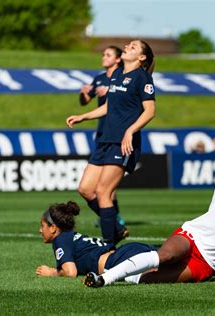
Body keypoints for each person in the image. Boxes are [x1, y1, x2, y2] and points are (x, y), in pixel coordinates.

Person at [83, 92, 215, 287]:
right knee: (165, 256)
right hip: (193, 236)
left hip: (207, 264)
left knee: (148, 280)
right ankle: (104, 278)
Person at [66, 40, 156, 244]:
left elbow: (150, 111)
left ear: (142, 57)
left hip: (123, 143)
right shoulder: (117, 74)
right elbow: (108, 107)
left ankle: (108, 248)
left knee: (103, 192)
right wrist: (83, 116)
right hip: (105, 140)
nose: (127, 47)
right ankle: (116, 228)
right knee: (86, 189)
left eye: (133, 47)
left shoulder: (142, 77)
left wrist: (130, 131)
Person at [35, 201, 156, 278]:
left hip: (118, 262)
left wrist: (51, 272)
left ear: (53, 228)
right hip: (127, 251)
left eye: (42, 225)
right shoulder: (73, 236)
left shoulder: (60, 239)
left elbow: (70, 272)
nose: (40, 230)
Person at [78, 46, 126, 229]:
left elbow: (126, 101)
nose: (103, 57)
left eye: (108, 55)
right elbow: (85, 102)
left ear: (117, 59)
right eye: (103, 54)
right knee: (93, 187)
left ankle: (114, 220)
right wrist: (83, 93)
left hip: (118, 135)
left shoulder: (123, 77)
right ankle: (112, 218)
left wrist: (110, 92)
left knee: (105, 186)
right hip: (102, 134)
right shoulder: (99, 78)